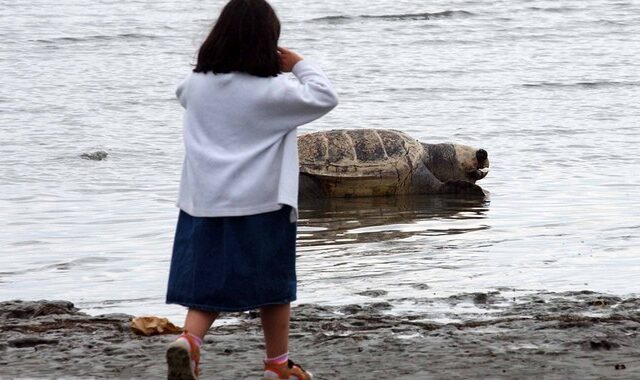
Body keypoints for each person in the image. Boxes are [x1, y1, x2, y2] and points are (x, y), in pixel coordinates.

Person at [163, 0, 338, 379]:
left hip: (203, 203)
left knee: (207, 285)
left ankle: (189, 342)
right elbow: (325, 96)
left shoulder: (195, 87)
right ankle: (277, 366)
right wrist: (299, 64)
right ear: (268, 45)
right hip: (261, 202)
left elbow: (183, 90)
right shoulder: (274, 91)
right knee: (273, 288)